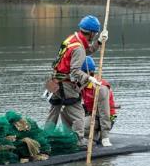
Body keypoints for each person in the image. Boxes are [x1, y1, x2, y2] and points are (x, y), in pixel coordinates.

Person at [44, 15, 108, 148]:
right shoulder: (78, 47)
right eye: (95, 34)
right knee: (78, 112)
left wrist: (99, 43)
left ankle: (46, 135)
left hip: (53, 80)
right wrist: (89, 78)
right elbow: (75, 71)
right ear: (91, 32)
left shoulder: (71, 39)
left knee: (53, 111)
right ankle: (79, 140)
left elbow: (86, 51)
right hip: (65, 83)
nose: (95, 36)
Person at [80, 56, 117, 147]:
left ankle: (100, 135)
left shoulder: (100, 88)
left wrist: (105, 137)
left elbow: (104, 113)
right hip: (91, 113)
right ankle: (94, 134)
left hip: (105, 117)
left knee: (81, 128)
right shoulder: (82, 84)